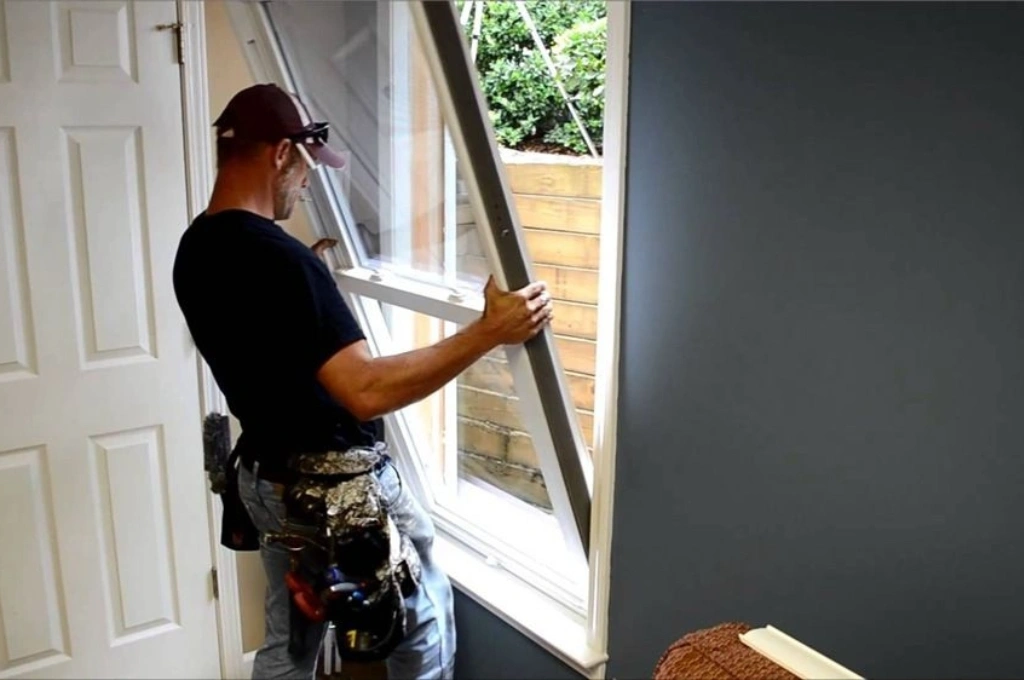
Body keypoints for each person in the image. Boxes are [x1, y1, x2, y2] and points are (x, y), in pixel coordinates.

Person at [172, 84, 553, 680]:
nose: (308, 184)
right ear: (280, 154)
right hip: (335, 490)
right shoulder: (282, 263)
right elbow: (366, 390)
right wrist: (487, 332)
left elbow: (263, 340)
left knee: (290, 640)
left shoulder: (197, 247)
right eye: (306, 167)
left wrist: (312, 293)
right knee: (422, 623)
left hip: (267, 481)